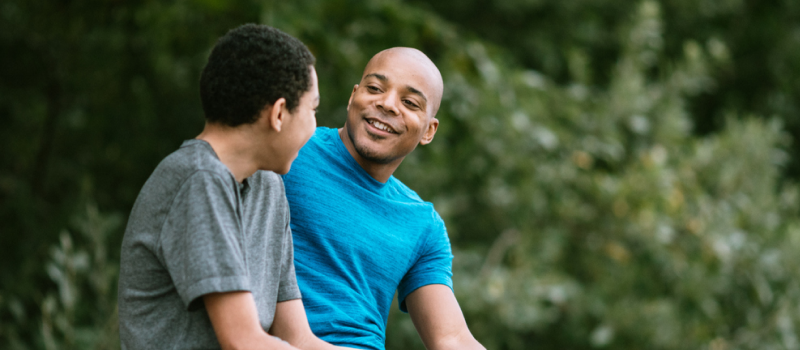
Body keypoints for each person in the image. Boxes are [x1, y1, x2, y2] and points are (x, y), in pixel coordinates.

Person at [118, 24, 351, 350]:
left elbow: (298, 339)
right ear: (280, 113)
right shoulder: (197, 181)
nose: (315, 127)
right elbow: (244, 342)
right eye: (313, 110)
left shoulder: (269, 189)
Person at [282, 47, 486, 350]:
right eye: (375, 88)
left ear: (429, 130)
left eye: (410, 102)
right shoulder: (288, 150)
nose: (388, 104)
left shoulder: (422, 225)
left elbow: (451, 338)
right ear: (354, 96)